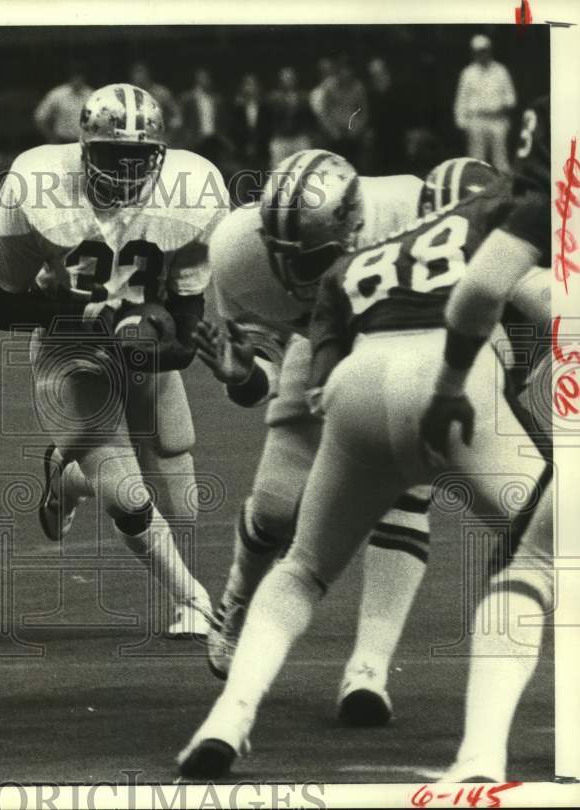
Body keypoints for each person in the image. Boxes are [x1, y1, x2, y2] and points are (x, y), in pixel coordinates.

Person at [178, 149, 549, 780]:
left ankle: (239, 715)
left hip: (357, 369)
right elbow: (512, 302)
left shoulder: (349, 261)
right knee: (544, 549)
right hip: (442, 361)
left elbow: (327, 374)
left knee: (303, 568)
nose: (297, 266)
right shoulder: (496, 222)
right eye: (287, 251)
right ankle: (482, 752)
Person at [191, 149, 432, 727]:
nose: (296, 274)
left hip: (400, 339)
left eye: (314, 258)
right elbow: (259, 377)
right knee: (277, 508)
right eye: (286, 257)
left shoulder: (411, 212)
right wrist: (243, 375)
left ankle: (369, 670)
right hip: (315, 345)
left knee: (401, 483)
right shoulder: (238, 252)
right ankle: (237, 600)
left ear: (355, 230)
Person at [0, 83, 227, 638]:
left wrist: (153, 339)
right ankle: (195, 600)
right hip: (72, 347)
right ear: (84, 147)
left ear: (159, 154)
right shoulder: (36, 184)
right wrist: (85, 314)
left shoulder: (193, 190)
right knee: (128, 495)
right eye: (114, 155)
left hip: (141, 346)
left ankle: (65, 478)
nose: (126, 169)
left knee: (182, 494)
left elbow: (186, 327)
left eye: (139, 157)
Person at [421, 98, 551, 782]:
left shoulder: (510, 245)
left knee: (533, 552)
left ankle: (481, 754)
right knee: (536, 547)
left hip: (457, 402)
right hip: (463, 406)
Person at [453, 34, 516, 172]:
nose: (482, 54)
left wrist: (502, 107)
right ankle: (479, 191)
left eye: (484, 51)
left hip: (497, 121)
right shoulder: (467, 73)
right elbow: (461, 100)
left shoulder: (501, 71)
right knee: (476, 160)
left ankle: (504, 190)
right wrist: (462, 123)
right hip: (476, 121)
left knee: (501, 160)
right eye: (478, 52)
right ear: (473, 53)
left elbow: (511, 97)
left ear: (489, 51)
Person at [313, 57, 368, 166]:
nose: (345, 73)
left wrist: (357, 129)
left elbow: (364, 112)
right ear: (338, 72)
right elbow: (324, 112)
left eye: (348, 70)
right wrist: (332, 130)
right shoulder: (329, 87)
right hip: (334, 136)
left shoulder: (359, 88)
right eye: (342, 70)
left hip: (354, 135)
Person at [228, 74, 270, 203]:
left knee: (262, 191)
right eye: (247, 84)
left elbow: (269, 130)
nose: (250, 88)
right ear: (243, 88)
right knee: (243, 192)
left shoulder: (266, 108)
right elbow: (232, 131)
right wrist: (243, 146)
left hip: (261, 154)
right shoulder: (236, 109)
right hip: (242, 156)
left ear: (258, 88)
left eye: (253, 85)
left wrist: (257, 144)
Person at [267, 67, 315, 167]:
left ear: (295, 79)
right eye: (285, 78)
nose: (288, 81)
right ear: (280, 80)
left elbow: (310, 118)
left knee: (304, 166)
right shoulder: (273, 98)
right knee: (278, 169)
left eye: (291, 78)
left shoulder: (303, 97)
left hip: (299, 137)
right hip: (281, 138)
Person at [178, 67, 224, 163]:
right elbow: (182, 120)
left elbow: (220, 120)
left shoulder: (216, 99)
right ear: (196, 79)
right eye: (201, 77)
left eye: (206, 78)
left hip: (213, 140)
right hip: (196, 140)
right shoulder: (188, 98)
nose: (204, 80)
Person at [130, 61, 181, 131]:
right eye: (137, 73)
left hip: (158, 134)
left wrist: (172, 127)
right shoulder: (128, 94)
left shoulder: (161, 92)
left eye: (142, 72)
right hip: (133, 134)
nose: (139, 76)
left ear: (147, 74)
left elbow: (176, 113)